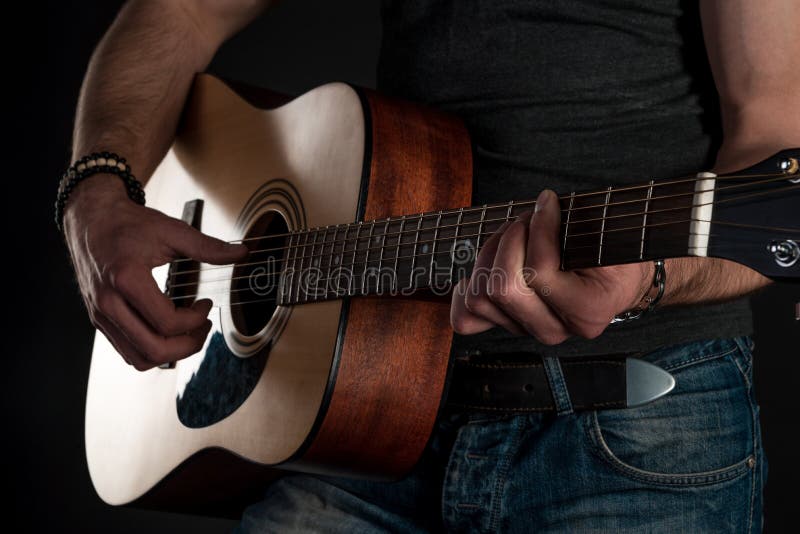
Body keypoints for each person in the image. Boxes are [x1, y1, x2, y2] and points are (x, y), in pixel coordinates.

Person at [61, 0, 798, 531]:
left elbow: (777, 155)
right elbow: (179, 13)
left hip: (636, 434)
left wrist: (651, 276)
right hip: (373, 424)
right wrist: (95, 190)